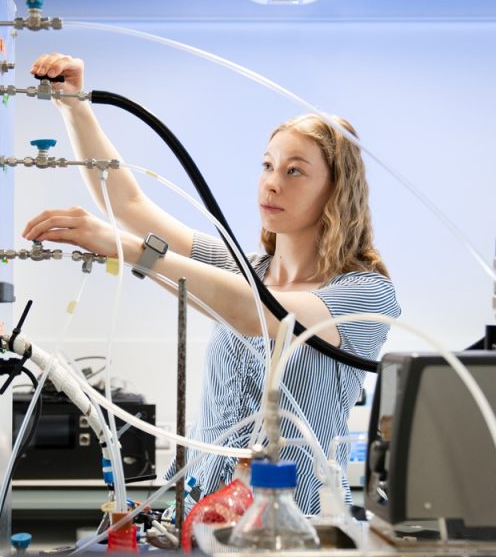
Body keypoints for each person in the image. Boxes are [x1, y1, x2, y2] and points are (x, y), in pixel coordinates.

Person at [22, 53, 401, 514]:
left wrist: (135, 251)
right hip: (199, 511)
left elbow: (262, 315)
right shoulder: (243, 269)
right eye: (267, 166)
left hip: (297, 524)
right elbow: (128, 207)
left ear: (336, 189)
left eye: (294, 170)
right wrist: (74, 106)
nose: (271, 184)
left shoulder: (365, 293)